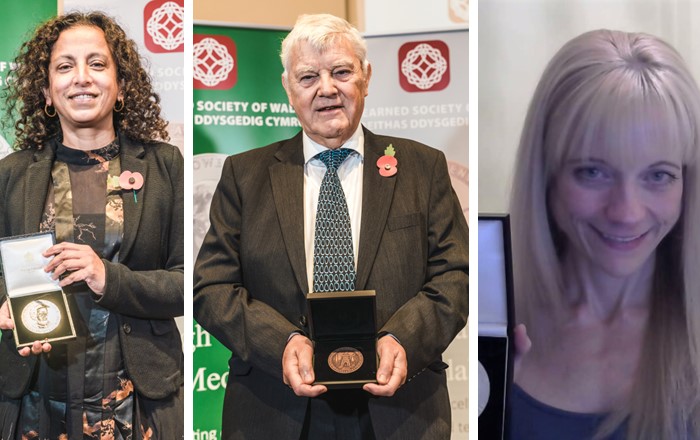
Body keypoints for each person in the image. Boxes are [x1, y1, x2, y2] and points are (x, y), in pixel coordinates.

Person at [193, 13, 468, 440]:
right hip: (275, 410)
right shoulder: (244, 175)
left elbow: (455, 277)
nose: (327, 89)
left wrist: (402, 339)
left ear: (366, 77)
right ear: (287, 88)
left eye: (341, 72)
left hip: (399, 412)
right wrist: (282, 343)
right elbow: (212, 288)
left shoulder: (423, 168)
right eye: (308, 77)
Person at [508, 29, 700, 439]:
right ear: (547, 175)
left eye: (658, 175)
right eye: (592, 172)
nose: (626, 213)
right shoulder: (492, 327)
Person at [0, 12, 183, 439]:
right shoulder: (12, 174)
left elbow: (184, 284)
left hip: (137, 402)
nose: (81, 78)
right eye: (65, 67)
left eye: (97, 64)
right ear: (46, 91)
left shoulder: (162, 165)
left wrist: (108, 277)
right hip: (34, 399)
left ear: (120, 86)